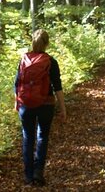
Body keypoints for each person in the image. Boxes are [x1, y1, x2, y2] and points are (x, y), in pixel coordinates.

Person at [14, 29, 67, 186]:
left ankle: (28, 176)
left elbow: (17, 83)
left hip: (25, 104)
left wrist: (17, 101)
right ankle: (38, 173)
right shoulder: (51, 61)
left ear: (33, 42)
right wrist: (63, 108)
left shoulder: (23, 59)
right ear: (47, 44)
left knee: (27, 137)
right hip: (46, 104)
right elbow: (57, 86)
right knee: (42, 136)